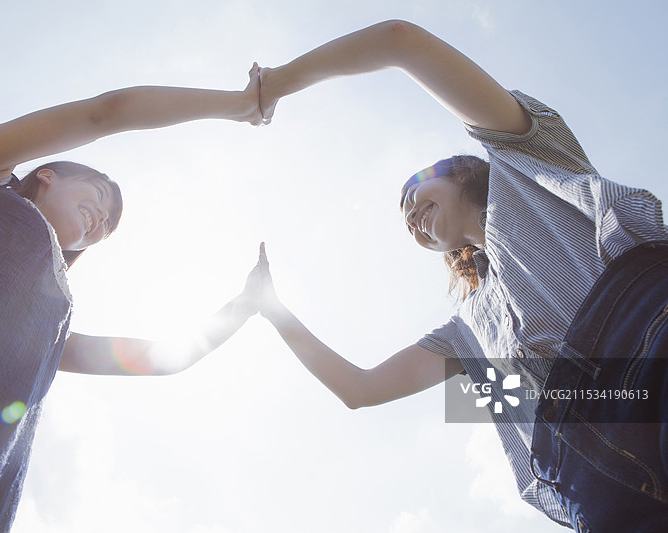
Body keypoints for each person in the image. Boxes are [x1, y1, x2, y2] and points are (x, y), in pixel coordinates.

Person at [253, 20, 668, 532]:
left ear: (462, 170)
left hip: (648, 345)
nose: (409, 215)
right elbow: (360, 388)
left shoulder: (527, 162)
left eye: (415, 192)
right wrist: (270, 310)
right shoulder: (468, 330)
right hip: (590, 467)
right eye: (405, 221)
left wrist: (275, 84)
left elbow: (400, 41)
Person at [0, 66, 265, 532]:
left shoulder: (43, 321)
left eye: (107, 225)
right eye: (98, 196)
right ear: (47, 175)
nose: (101, 218)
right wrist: (239, 104)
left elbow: (162, 359)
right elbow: (105, 113)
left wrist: (245, 306)